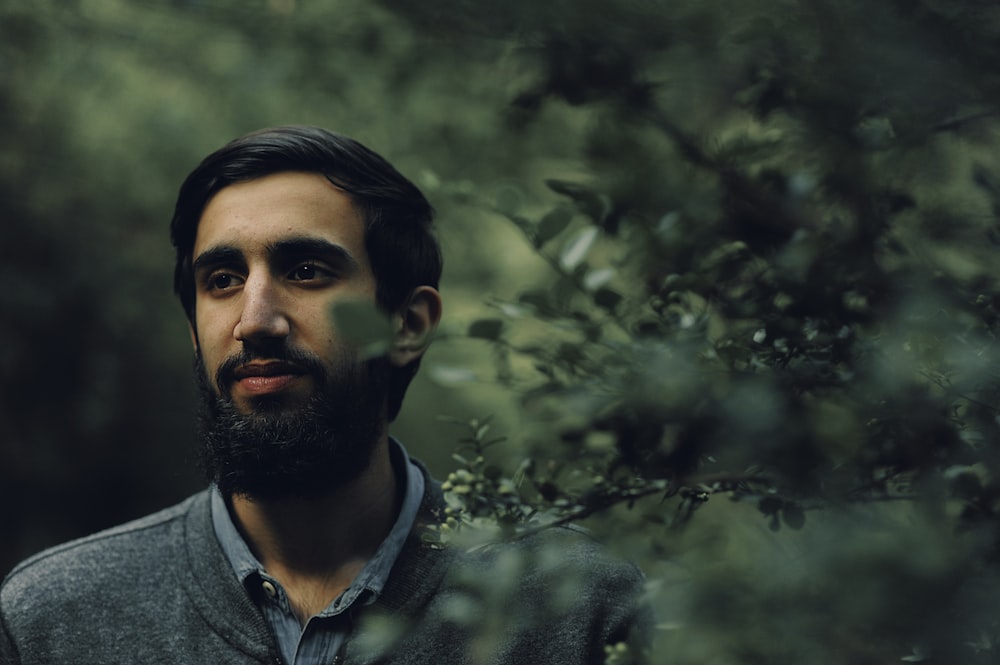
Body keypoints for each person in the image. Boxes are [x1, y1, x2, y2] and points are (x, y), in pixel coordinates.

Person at [0, 126, 647, 664]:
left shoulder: (582, 607)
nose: (255, 319)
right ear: (195, 333)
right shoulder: (47, 624)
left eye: (306, 270)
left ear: (408, 323)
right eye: (222, 279)